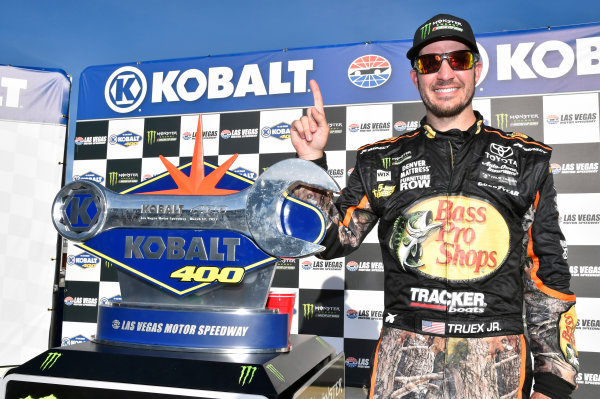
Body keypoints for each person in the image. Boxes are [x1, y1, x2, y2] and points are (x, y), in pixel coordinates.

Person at [290, 14, 578, 399]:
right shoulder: (380, 160)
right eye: (430, 63)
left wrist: (554, 382)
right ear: (415, 77)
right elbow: (333, 239)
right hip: (404, 362)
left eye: (457, 60)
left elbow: (548, 276)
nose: (444, 73)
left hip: (496, 366)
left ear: (476, 70)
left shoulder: (526, 159)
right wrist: (311, 163)